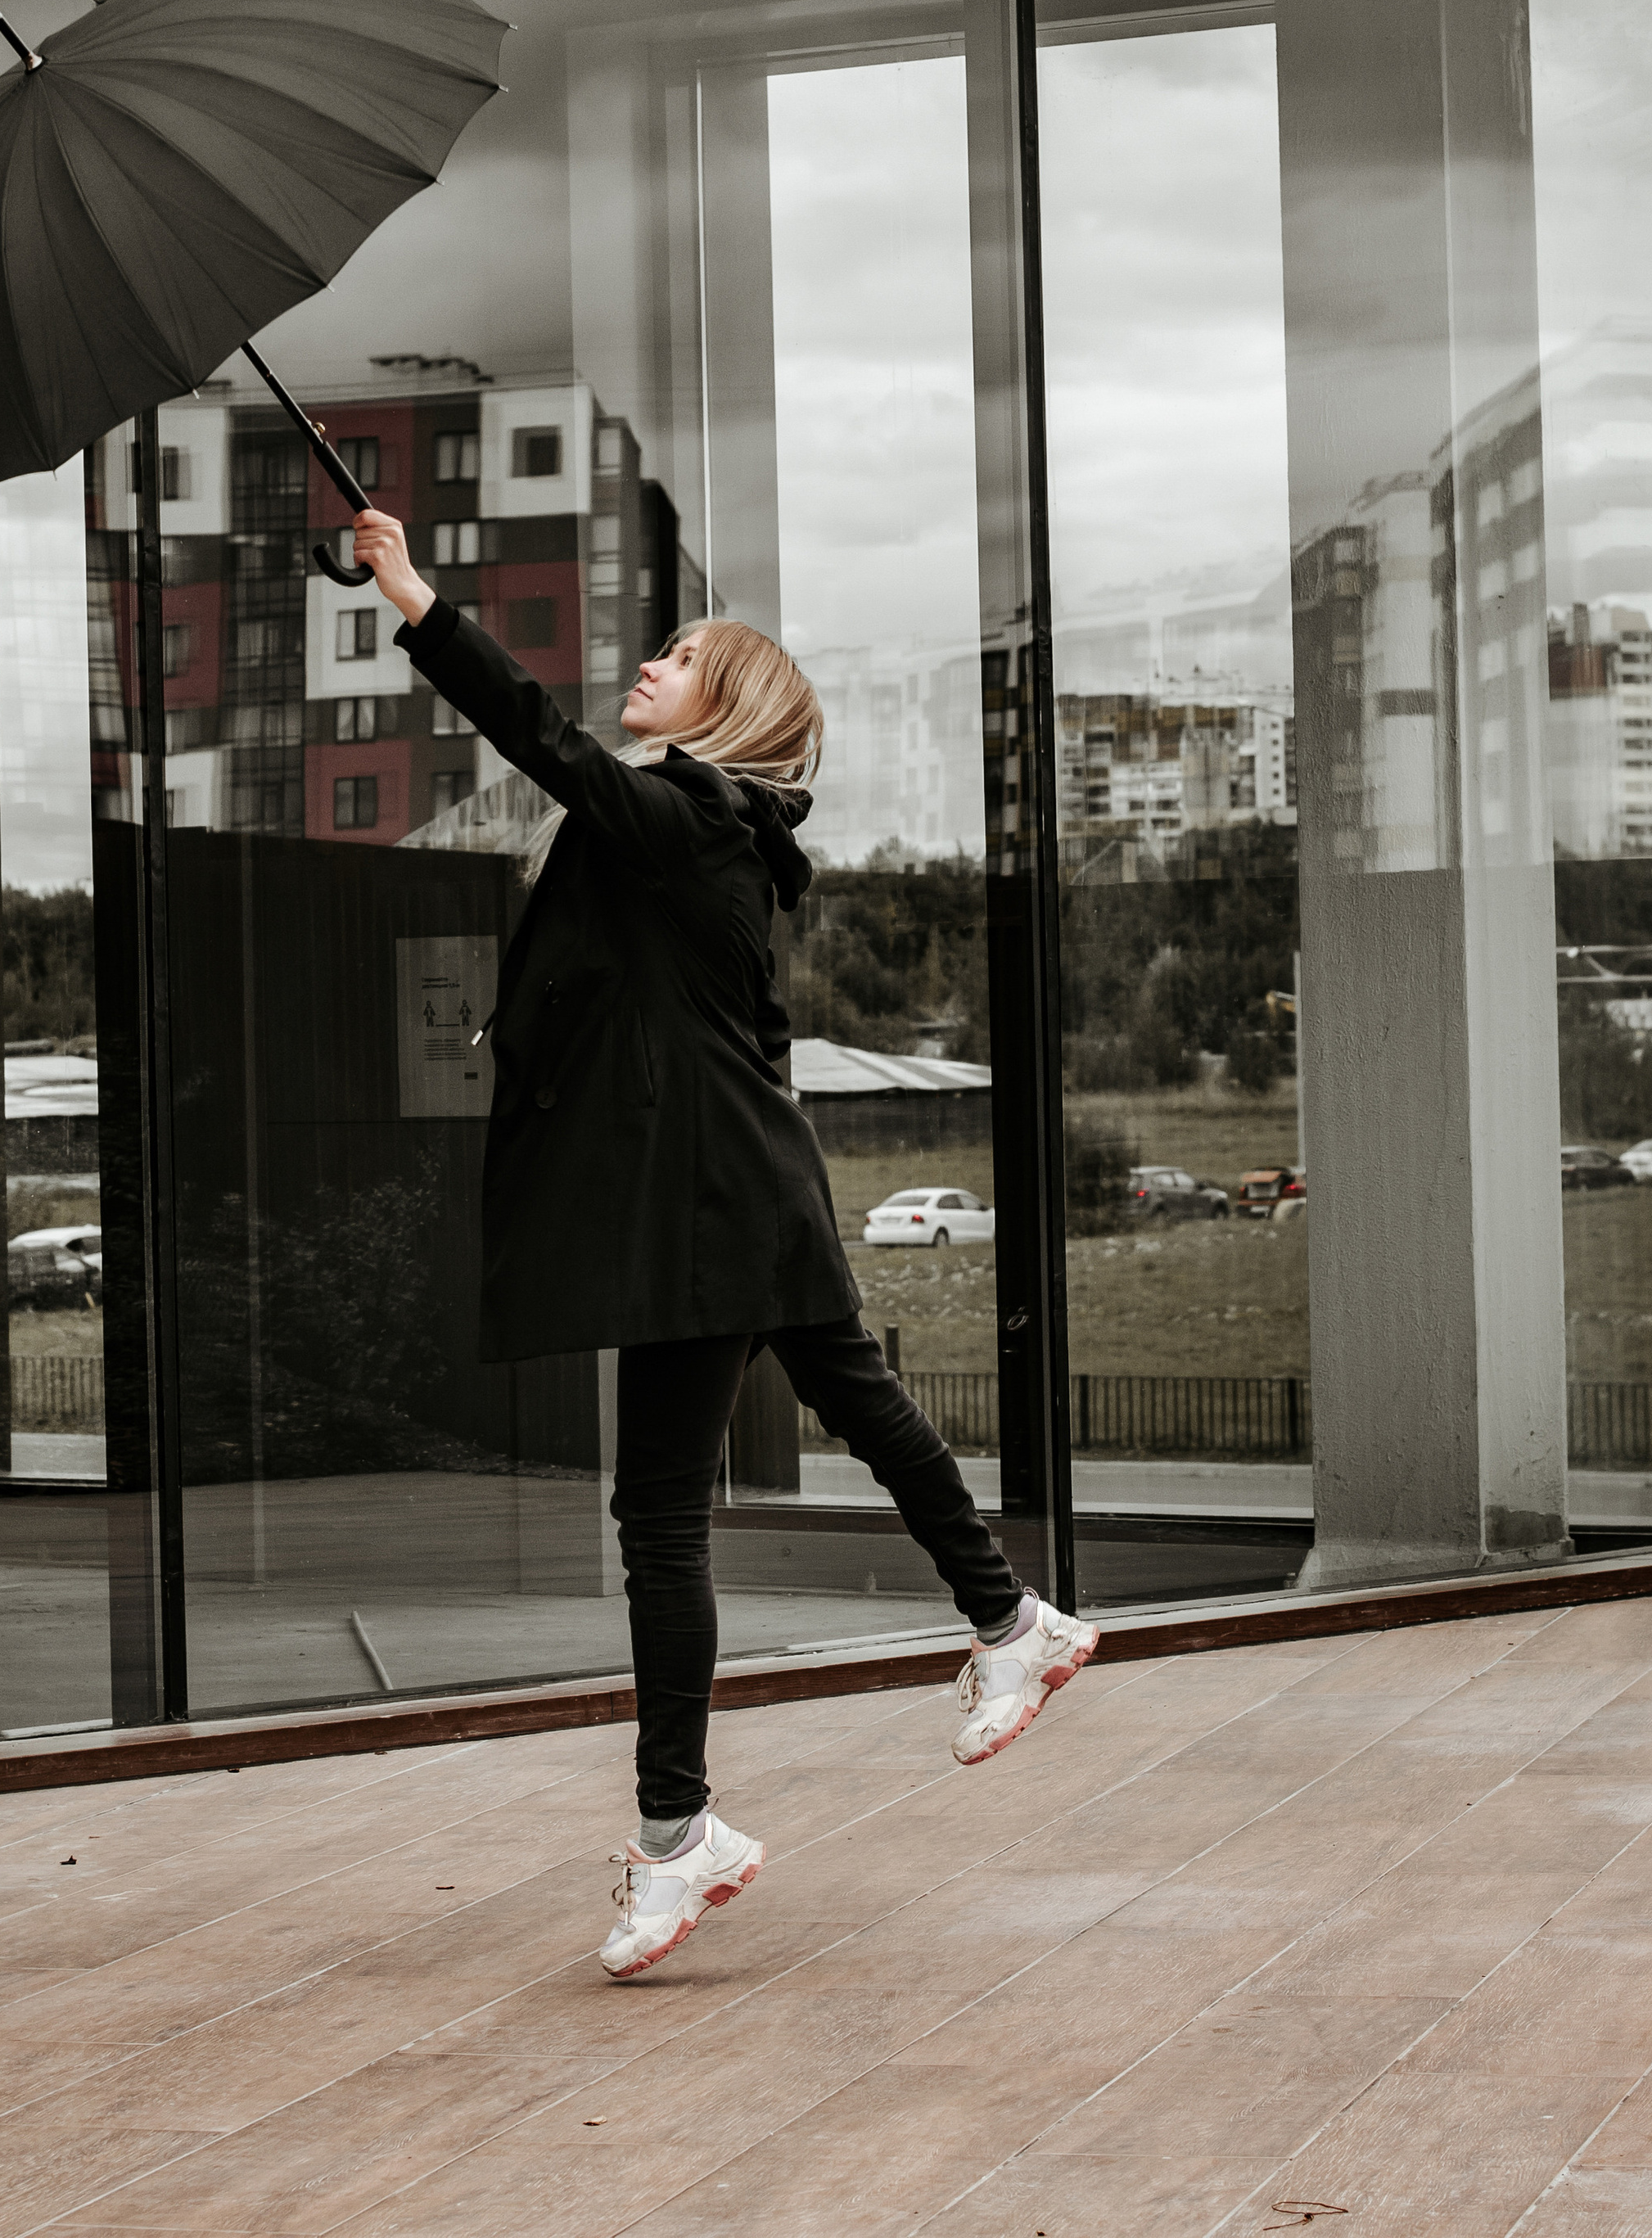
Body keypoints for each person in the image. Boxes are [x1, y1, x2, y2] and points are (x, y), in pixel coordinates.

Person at [351, 508, 1097, 1980]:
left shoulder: (692, 814)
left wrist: (417, 599)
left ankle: (683, 1831)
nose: (652, 662)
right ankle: (1005, 1623)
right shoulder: (709, 841)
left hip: (706, 1198)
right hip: (731, 1183)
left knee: (663, 1514)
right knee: (848, 1405)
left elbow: (547, 745)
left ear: (730, 709)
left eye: (683, 657)